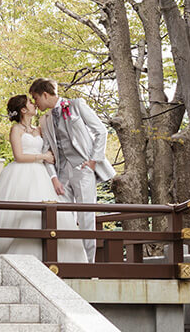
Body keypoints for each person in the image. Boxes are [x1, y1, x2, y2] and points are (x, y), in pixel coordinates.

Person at [0, 94, 87, 262]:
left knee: (47, 214)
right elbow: (18, 156)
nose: (34, 104)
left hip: (41, 174)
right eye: (30, 102)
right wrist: (42, 157)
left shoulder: (39, 129)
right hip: (21, 173)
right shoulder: (16, 130)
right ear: (23, 110)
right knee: (18, 213)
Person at [30, 78, 115, 262]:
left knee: (86, 217)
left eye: (35, 97)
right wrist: (53, 177)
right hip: (61, 174)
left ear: (45, 94)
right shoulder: (44, 120)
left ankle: (89, 265)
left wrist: (93, 161)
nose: (35, 102)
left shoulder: (77, 105)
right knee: (64, 219)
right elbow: (46, 151)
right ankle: (69, 262)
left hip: (83, 168)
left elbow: (101, 131)